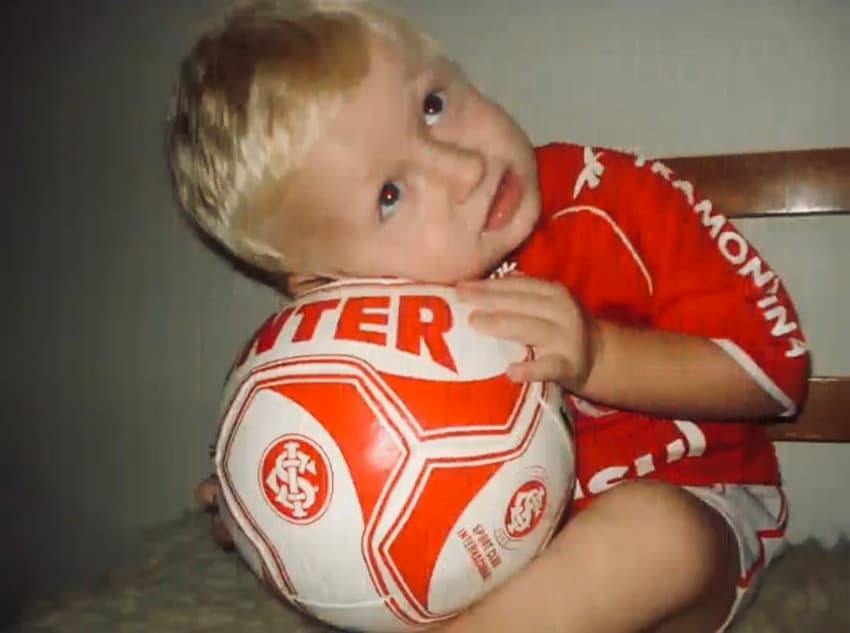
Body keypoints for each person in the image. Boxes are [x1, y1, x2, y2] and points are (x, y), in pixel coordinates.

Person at [166, 1, 810, 631]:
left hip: (700, 509)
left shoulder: (610, 197)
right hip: (499, 559)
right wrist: (269, 507)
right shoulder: (361, 337)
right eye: (390, 195)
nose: (464, 169)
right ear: (328, 285)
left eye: (433, 106)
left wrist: (601, 356)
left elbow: (778, 373)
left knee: (656, 537)